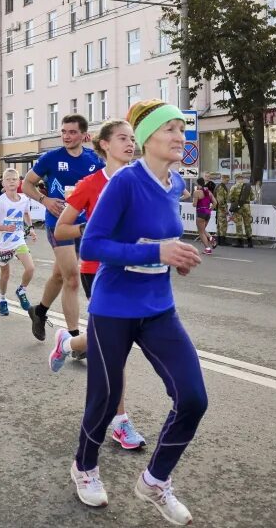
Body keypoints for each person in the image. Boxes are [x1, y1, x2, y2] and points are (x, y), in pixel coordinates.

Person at [70, 100, 206, 526]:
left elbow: (162, 242)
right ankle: (84, 466)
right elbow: (92, 246)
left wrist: (175, 258)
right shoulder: (125, 182)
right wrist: (155, 251)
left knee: (193, 398)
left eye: (181, 132)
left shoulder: (176, 184)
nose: (178, 139)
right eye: (170, 130)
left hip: (159, 307)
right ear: (147, 137)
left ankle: (154, 481)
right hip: (114, 308)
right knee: (105, 400)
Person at [51, 119, 146, 451]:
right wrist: (89, 227)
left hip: (134, 270)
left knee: (111, 340)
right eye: (123, 138)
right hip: (99, 271)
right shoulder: (91, 183)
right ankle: (120, 422)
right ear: (104, 144)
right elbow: (61, 230)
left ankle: (68, 343)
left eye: (133, 138)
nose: (130, 144)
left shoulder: (141, 181)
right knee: (116, 348)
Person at [23, 114, 105, 342]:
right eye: (64, 132)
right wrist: (44, 200)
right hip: (57, 224)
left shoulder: (94, 159)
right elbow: (26, 183)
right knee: (72, 278)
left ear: (84, 135)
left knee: (59, 275)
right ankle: (73, 339)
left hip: (83, 225)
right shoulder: (51, 157)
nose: (67, 136)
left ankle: (39, 312)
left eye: (72, 132)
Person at [0, 168, 36, 315]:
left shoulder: (24, 199)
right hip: (3, 244)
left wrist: (31, 228)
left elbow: (26, 213)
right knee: (5, 275)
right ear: (3, 183)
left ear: (19, 182)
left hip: (18, 241)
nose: (11, 182)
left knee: (30, 268)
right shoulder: (0, 202)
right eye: (8, 180)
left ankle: (21, 290)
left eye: (14, 179)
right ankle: (2, 299)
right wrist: (5, 227)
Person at [229, 174, 255, 248]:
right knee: (248, 224)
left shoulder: (234, 187)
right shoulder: (248, 187)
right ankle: (250, 242)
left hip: (238, 207)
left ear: (236, 178)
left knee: (239, 224)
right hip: (247, 207)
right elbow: (253, 198)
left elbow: (230, 198)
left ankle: (240, 242)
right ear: (242, 178)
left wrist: (236, 200)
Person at [192, 177, 216, 254]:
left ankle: (208, 248)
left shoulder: (197, 192)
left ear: (197, 183)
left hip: (200, 212)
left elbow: (194, 204)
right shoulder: (209, 192)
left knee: (201, 232)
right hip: (207, 213)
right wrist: (210, 209)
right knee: (203, 229)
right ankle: (211, 238)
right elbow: (215, 203)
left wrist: (195, 200)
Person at [214, 174, 230, 246]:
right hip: (221, 209)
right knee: (223, 225)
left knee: (220, 225)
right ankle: (222, 241)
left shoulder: (222, 187)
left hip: (220, 208)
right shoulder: (221, 187)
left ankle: (220, 241)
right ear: (223, 179)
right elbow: (220, 200)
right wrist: (225, 209)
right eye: (227, 180)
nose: (228, 181)